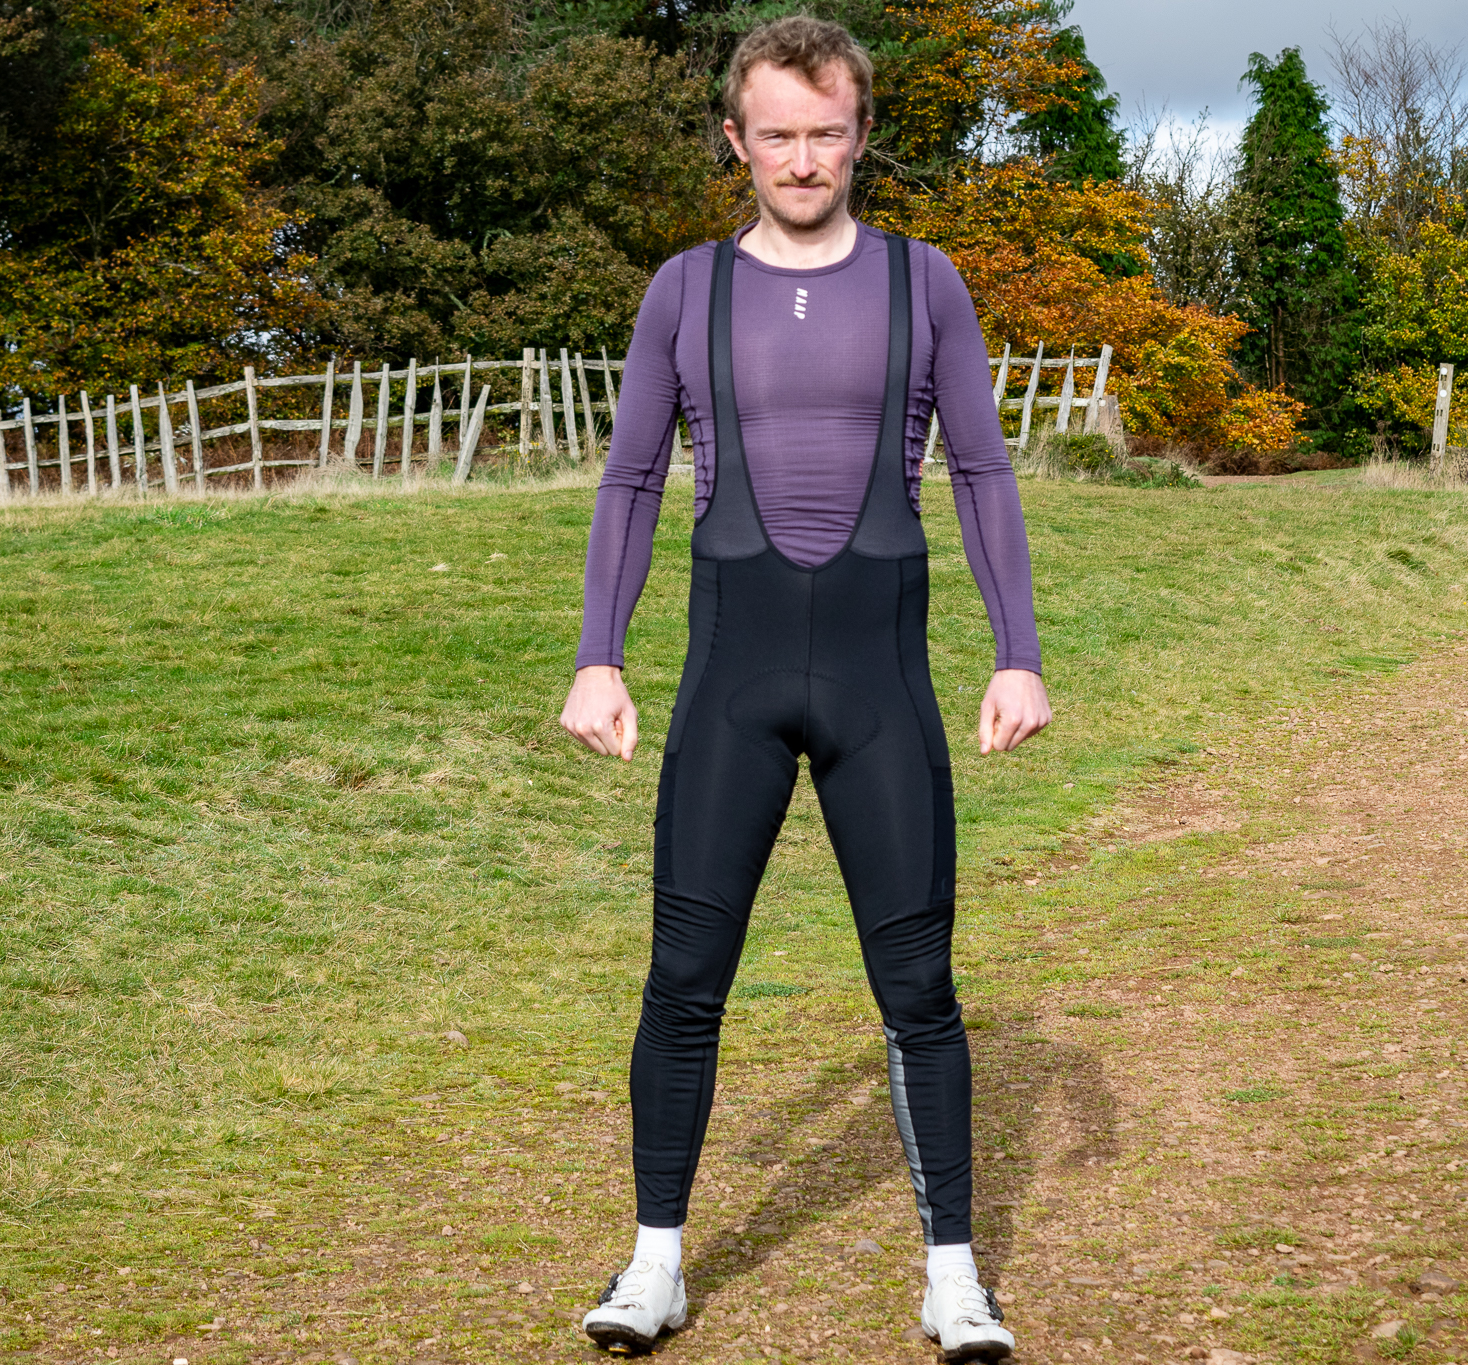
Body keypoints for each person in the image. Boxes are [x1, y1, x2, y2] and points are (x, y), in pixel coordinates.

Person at [559, 16, 1049, 1362]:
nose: (803, 158)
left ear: (860, 133)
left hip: (881, 675)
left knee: (919, 984)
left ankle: (954, 1277)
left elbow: (983, 472)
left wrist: (1021, 651)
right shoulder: (684, 290)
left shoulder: (923, 281)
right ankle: (654, 1263)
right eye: (777, 134)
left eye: (826, 133)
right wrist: (599, 653)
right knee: (683, 974)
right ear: (737, 137)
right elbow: (633, 479)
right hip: (734, 669)